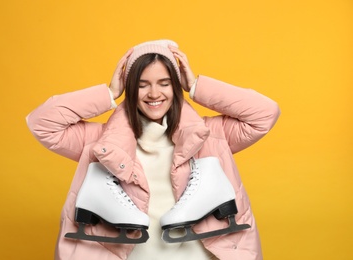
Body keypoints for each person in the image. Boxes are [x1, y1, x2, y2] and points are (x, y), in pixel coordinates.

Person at [27, 39, 280, 260]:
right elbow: (41, 123)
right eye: (143, 84)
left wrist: (195, 86)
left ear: (176, 86)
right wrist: (109, 93)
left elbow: (264, 113)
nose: (154, 93)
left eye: (165, 83)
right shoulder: (98, 141)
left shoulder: (210, 136)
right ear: (130, 88)